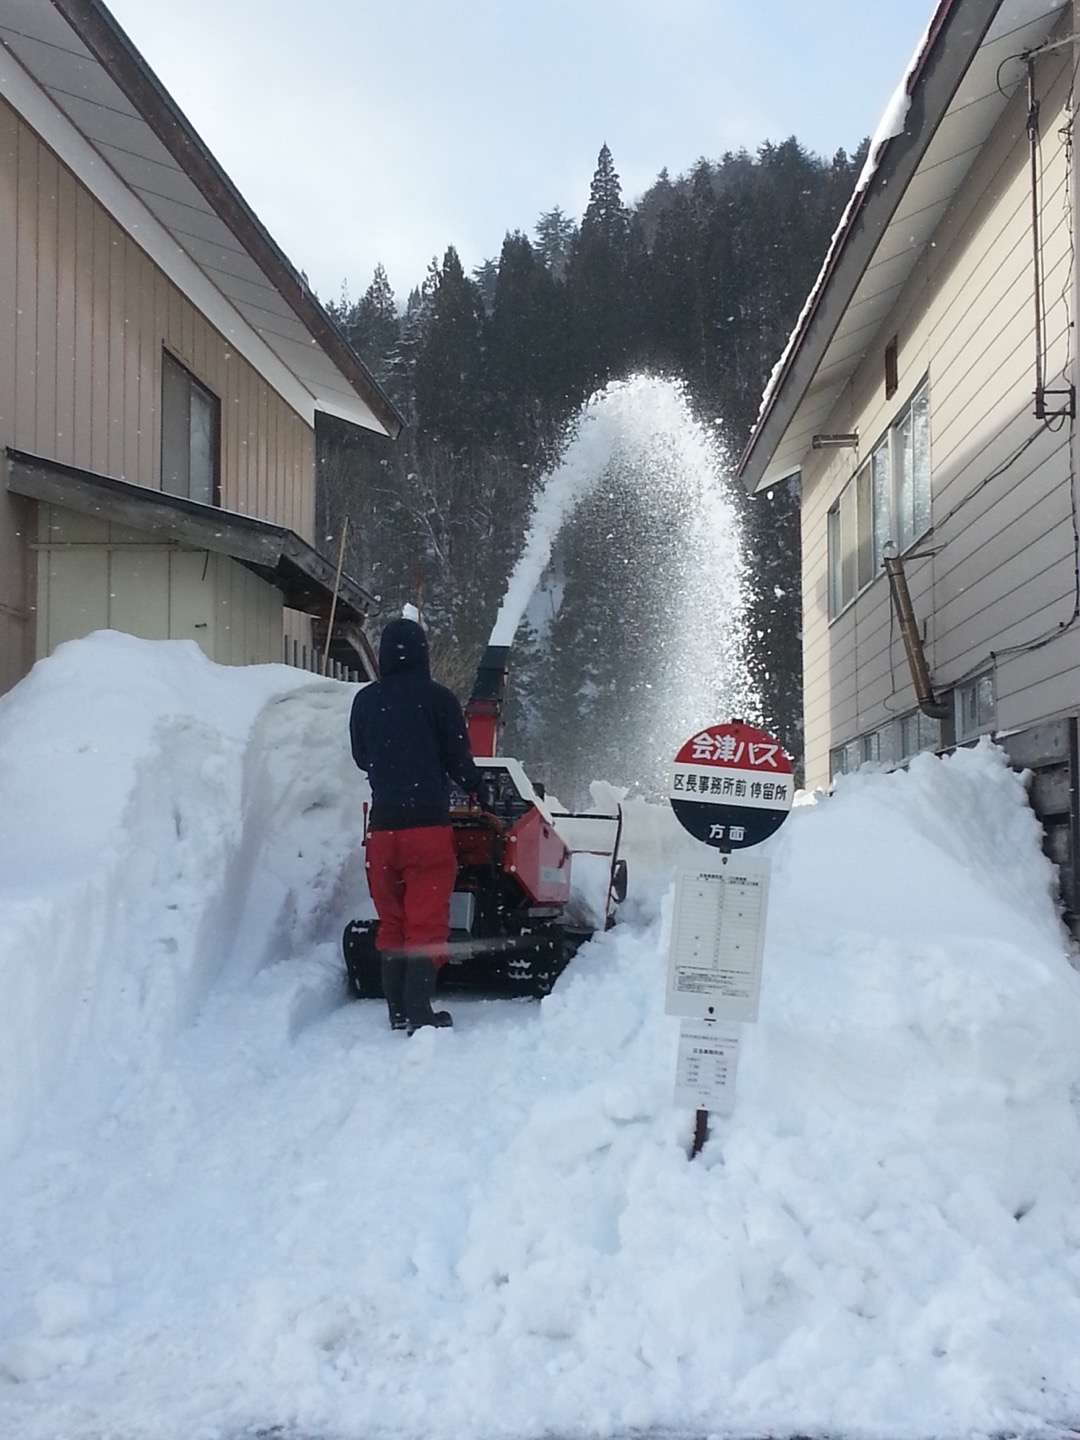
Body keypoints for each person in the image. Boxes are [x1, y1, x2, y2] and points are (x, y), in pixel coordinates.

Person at [349, 611, 483, 1034]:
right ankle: (419, 1008)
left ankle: (397, 1011)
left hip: (382, 832)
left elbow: (361, 757)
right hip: (427, 830)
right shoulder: (439, 700)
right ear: (422, 654)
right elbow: (459, 759)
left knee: (393, 922)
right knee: (425, 921)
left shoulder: (365, 701)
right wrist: (476, 787)